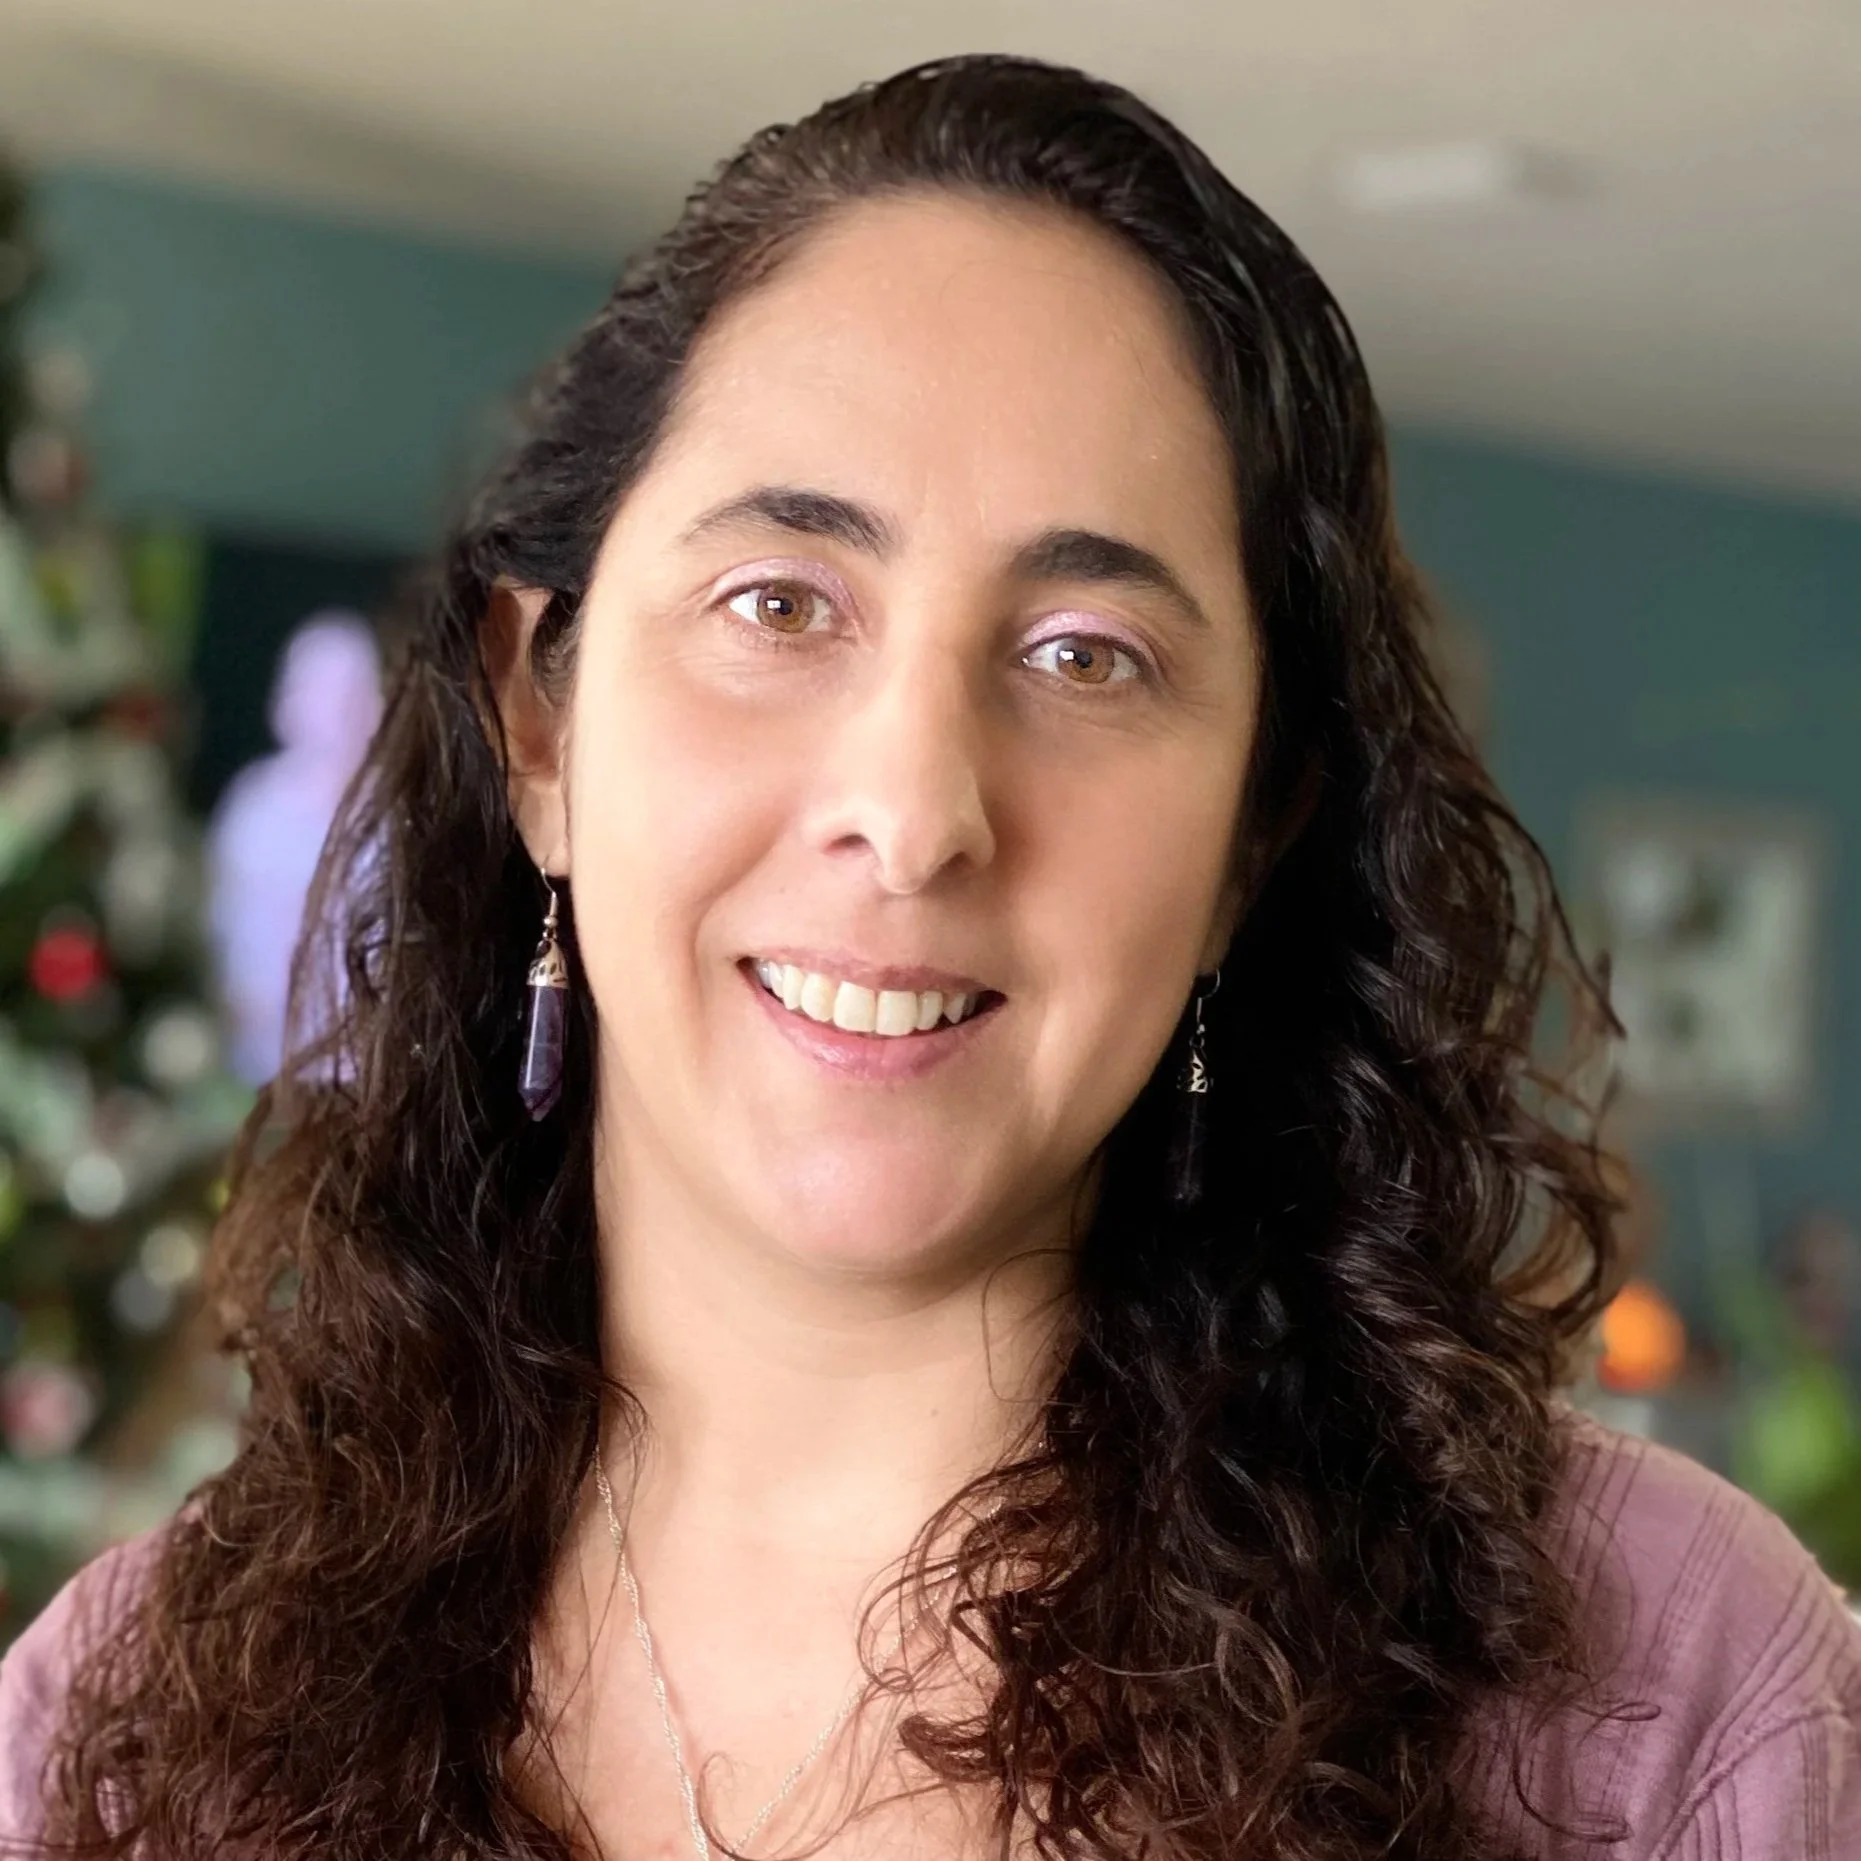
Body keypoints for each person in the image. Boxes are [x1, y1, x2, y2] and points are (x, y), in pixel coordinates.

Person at [3, 53, 1857, 1861]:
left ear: (1251, 839)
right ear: (539, 722)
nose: (914, 809)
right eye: (780, 604)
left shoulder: (1676, 1705)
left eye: (1085, 654)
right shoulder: (111, 1733)